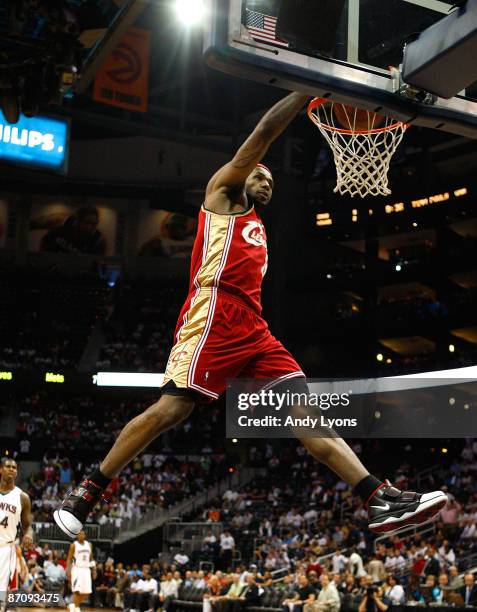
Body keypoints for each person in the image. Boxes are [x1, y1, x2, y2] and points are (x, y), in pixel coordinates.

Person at [53, 92, 447, 539]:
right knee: (171, 411)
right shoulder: (223, 196)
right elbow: (262, 134)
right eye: (261, 175)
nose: (267, 183)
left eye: (271, 183)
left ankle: (377, 498)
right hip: (213, 314)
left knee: (308, 415)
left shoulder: (259, 230)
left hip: (255, 329)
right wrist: (302, 91)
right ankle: (90, 487)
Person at [0, 457, 33, 612]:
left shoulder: (22, 497)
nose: (12, 469)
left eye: (14, 467)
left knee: (5, 596)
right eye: (8, 466)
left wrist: (29, 535)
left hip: (7, 549)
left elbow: (28, 526)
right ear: (1, 469)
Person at [66, 530, 95, 612]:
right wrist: (68, 569)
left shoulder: (89, 545)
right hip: (77, 569)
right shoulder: (74, 545)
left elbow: (91, 558)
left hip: (86, 569)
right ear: (77, 536)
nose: (81, 535)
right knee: (77, 590)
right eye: (79, 534)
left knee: (86, 591)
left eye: (83, 534)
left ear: (85, 536)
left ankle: (74, 605)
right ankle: (76, 608)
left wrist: (94, 569)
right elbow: (69, 558)